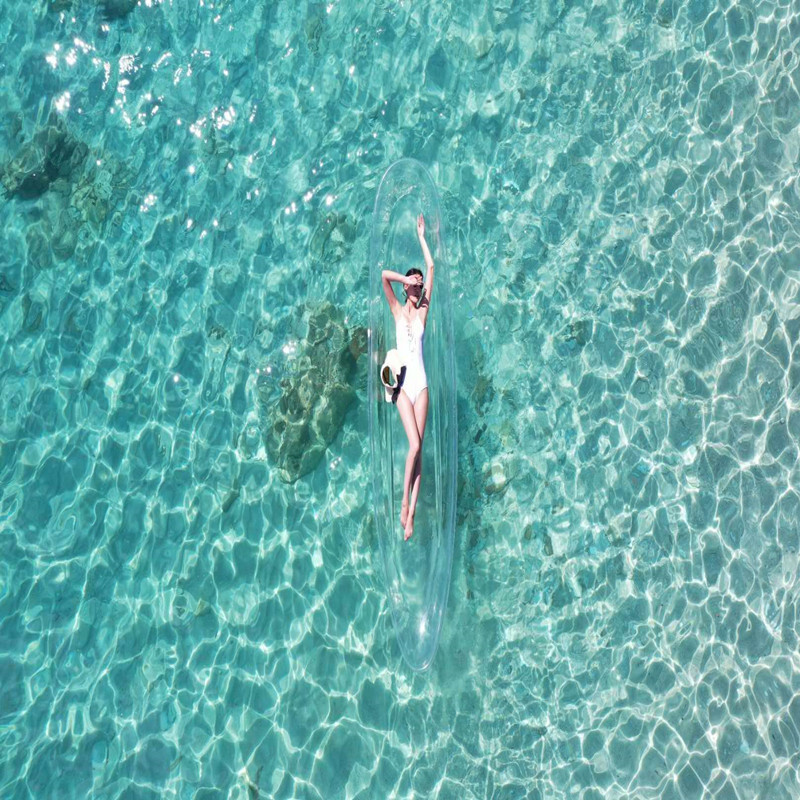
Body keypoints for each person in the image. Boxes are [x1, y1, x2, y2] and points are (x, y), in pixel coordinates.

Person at [380, 213, 434, 541]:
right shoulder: (398, 310)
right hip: (402, 385)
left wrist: (422, 237)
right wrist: (404, 279)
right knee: (413, 444)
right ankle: (402, 501)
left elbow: (432, 269)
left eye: (418, 283)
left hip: (422, 386)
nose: (416, 285)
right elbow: (383, 276)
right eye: (411, 284)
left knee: (420, 451)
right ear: (406, 289)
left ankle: (411, 514)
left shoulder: (424, 311)